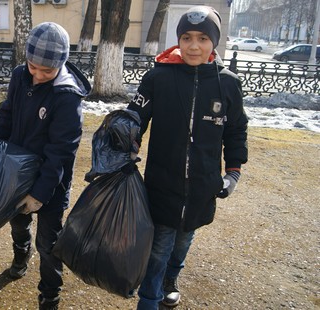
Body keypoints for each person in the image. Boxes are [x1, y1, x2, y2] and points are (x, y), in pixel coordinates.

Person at [126, 6, 248, 310]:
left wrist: (232, 172)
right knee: (159, 246)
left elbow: (236, 131)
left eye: (203, 38)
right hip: (162, 183)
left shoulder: (228, 83)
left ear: (214, 42)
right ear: (178, 39)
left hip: (202, 186)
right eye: (187, 37)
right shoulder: (159, 77)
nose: (194, 45)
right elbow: (133, 120)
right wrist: (125, 144)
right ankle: (149, 301)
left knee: (183, 240)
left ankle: (172, 278)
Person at [0, 22, 91, 310]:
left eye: (46, 71)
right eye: (33, 66)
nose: (37, 74)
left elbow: (61, 152)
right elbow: (7, 116)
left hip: (51, 184)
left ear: (61, 64)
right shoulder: (19, 76)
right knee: (18, 222)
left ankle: (50, 294)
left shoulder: (67, 96)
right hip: (16, 172)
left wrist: (39, 194)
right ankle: (20, 253)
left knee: (49, 243)